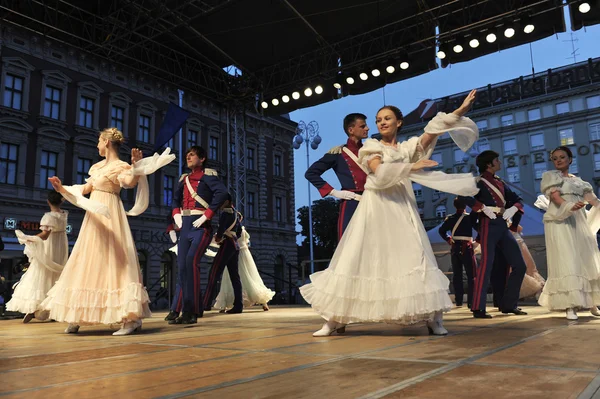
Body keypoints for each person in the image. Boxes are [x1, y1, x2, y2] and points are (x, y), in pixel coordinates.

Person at [301, 90, 479, 337]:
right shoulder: (371, 146)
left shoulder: (406, 148)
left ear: (399, 122)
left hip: (401, 206)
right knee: (357, 256)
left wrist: (459, 111)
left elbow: (430, 133)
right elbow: (379, 171)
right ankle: (333, 319)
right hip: (375, 205)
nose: (381, 122)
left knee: (414, 255)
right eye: (378, 120)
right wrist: (412, 166)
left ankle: (432, 317)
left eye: (386, 118)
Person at [42, 127, 175, 335]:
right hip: (94, 218)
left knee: (115, 261)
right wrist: (61, 188)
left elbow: (129, 183)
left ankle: (130, 318)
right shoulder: (96, 167)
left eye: (98, 141)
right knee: (88, 260)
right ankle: (78, 314)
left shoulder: (120, 166)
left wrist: (136, 167)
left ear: (105, 142)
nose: (97, 145)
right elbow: (85, 190)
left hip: (110, 214)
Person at [459, 151, 527, 318]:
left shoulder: (499, 182)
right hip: (488, 223)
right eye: (497, 160)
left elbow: (517, 198)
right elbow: (463, 195)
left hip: (502, 223)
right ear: (489, 164)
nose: (500, 162)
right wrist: (482, 208)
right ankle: (478, 307)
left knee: (520, 265)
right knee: (486, 265)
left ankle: (508, 304)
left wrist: (513, 208)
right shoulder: (478, 182)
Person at [166, 146, 229, 325]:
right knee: (182, 267)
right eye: (187, 155)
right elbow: (175, 198)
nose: (188, 157)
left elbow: (223, 193)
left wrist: (207, 214)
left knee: (191, 262)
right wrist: (175, 213)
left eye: (192, 155)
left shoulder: (208, 177)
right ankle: (187, 308)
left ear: (202, 158)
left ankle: (191, 311)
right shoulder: (183, 179)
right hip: (185, 225)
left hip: (201, 226)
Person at [536, 146, 600, 319]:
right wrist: (570, 206)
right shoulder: (551, 177)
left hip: (578, 221)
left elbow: (593, 201)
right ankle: (569, 305)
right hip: (559, 220)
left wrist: (596, 205)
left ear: (570, 159)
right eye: (555, 158)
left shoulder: (580, 182)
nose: (558, 160)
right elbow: (555, 198)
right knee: (566, 259)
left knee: (585, 258)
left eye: (562, 157)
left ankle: (591, 302)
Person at [6, 190, 68, 323]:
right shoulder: (64, 214)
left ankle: (33, 308)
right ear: (61, 200)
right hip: (61, 247)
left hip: (50, 247)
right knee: (55, 275)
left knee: (41, 272)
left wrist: (30, 238)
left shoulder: (48, 216)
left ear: (48, 201)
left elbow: (45, 235)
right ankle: (51, 309)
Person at [305, 113, 369, 241]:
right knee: (348, 245)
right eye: (363, 126)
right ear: (351, 130)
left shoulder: (370, 150)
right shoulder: (338, 153)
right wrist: (334, 192)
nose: (367, 128)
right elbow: (311, 173)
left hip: (373, 202)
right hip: (352, 203)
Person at [214, 226, 275, 312]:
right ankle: (264, 302)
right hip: (245, 254)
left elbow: (222, 241)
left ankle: (224, 305)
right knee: (251, 276)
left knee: (230, 278)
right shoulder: (242, 230)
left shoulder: (228, 231)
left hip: (234, 253)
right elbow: (246, 242)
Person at [203, 197, 244, 313]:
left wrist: (219, 238)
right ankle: (238, 305)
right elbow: (239, 232)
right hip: (234, 245)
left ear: (229, 202)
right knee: (235, 277)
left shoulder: (226, 214)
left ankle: (206, 303)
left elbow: (220, 231)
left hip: (226, 244)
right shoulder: (236, 214)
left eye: (223, 201)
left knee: (213, 273)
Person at [438, 197, 478, 308]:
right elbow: (479, 228)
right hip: (467, 247)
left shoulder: (450, 218)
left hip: (455, 247)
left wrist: (448, 239)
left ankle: (459, 301)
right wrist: (477, 241)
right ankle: (471, 301)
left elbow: (441, 231)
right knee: (472, 275)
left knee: (457, 275)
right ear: (465, 205)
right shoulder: (469, 218)